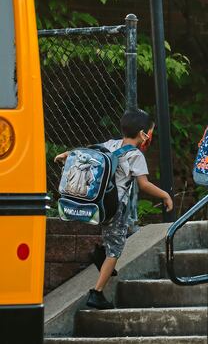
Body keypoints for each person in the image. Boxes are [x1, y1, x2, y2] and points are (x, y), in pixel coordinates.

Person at [55, 109, 173, 310]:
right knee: (115, 251)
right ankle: (97, 293)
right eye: (150, 132)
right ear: (143, 133)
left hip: (99, 204)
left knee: (118, 234)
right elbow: (143, 184)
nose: (150, 136)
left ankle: (100, 253)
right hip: (116, 208)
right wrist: (165, 195)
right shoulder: (135, 155)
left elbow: (86, 152)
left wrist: (67, 154)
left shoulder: (110, 144)